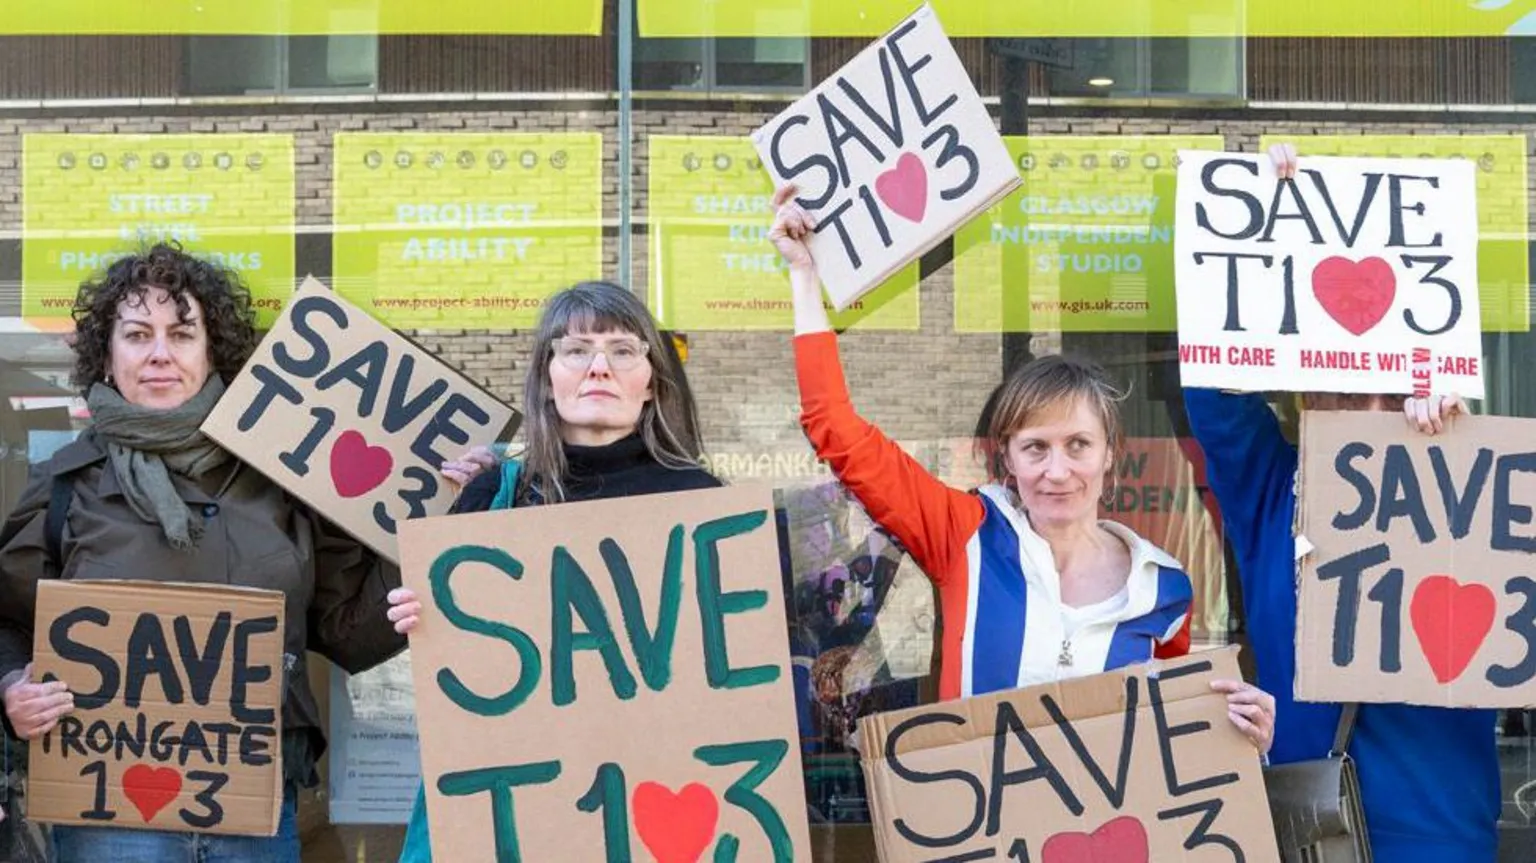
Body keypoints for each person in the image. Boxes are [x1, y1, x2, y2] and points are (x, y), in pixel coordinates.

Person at [767, 187, 1278, 751]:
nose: (1057, 471)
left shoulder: (1165, 589)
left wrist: (1244, 736)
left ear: (1111, 453)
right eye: (1036, 448)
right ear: (1006, 458)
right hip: (970, 833)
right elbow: (834, 427)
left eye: (1078, 445)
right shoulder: (966, 536)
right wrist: (805, 277)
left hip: (1104, 837)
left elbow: (1171, 752)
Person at [0, 245, 408, 862]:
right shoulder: (64, 484)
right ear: (107, 357)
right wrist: (12, 689)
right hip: (108, 814)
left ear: (212, 350)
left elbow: (349, 632)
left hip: (258, 810)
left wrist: (430, 541)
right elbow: (8, 619)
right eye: (137, 334)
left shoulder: (285, 480)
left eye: (182, 333)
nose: (160, 353)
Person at [1181, 142, 1499, 863]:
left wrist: (1452, 456)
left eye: (1393, 387)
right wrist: (1264, 216)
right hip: (1311, 830)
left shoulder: (1470, 487)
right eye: (1349, 383)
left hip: (1441, 837)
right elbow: (1211, 375)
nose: (1373, 406)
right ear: (1304, 386)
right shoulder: (1272, 487)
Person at [386, 281, 721, 862]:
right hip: (525, 800)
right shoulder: (498, 492)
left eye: (623, 350)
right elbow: (467, 668)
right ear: (547, 379)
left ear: (651, 382)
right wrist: (425, 619)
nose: (599, 368)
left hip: (649, 799)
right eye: (576, 350)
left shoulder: (702, 501)